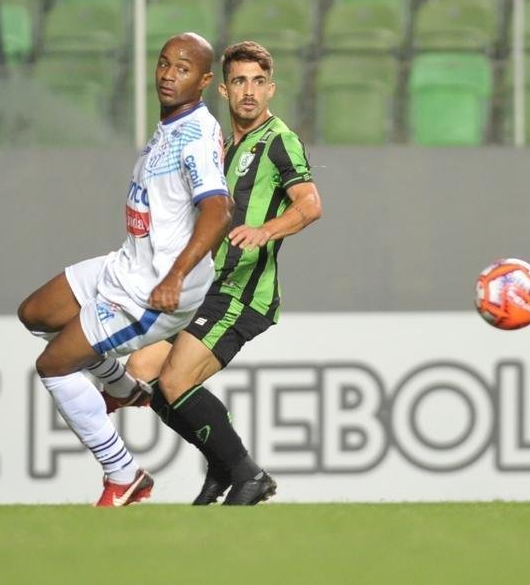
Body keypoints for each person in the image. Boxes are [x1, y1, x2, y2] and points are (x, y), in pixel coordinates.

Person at [16, 32, 232, 507]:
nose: (169, 75)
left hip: (153, 290)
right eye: (164, 64)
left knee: (53, 365)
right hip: (127, 264)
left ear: (204, 80)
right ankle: (121, 386)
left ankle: (124, 475)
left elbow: (218, 210)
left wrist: (175, 277)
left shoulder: (194, 136)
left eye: (183, 68)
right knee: (35, 313)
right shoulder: (174, 123)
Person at [120, 40, 322, 506]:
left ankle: (248, 474)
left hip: (242, 294)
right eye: (238, 82)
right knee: (142, 372)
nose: (248, 92)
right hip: (207, 289)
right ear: (225, 91)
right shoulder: (224, 147)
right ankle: (222, 463)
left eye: (257, 82)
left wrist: (265, 231)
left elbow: (310, 205)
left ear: (271, 89)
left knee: (174, 381)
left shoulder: (278, 142)